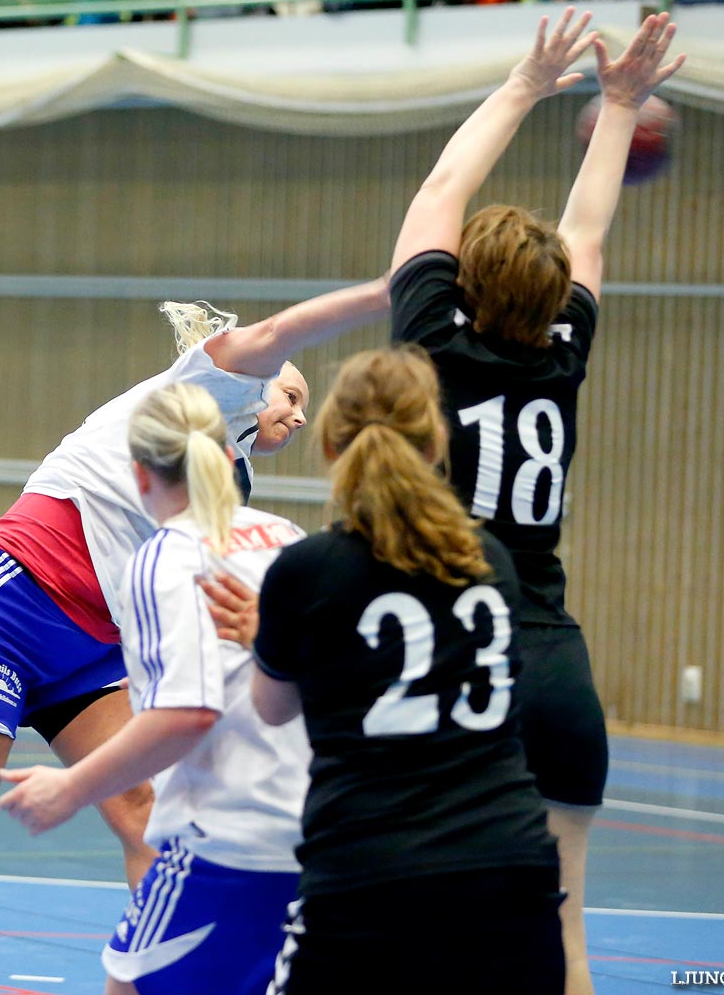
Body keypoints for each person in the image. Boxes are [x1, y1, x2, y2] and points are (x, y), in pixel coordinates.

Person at [0, 276, 389, 970]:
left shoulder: (222, 475)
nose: (298, 415)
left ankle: (158, 977)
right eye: (290, 395)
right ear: (253, 382)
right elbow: (275, 337)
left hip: (89, 649)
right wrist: (392, 291)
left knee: (145, 817)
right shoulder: (195, 392)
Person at [386, 8, 685, 994]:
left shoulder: (435, 337)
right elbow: (588, 227)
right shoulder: (563, 356)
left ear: (461, 282)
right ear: (554, 299)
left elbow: (441, 188)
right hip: (556, 669)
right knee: (563, 953)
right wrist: (619, 106)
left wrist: (524, 84)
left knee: (416, 928)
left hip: (454, 661)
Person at [251, 345, 565, 994]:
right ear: (434, 443)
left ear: (333, 446)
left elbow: (273, 707)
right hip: (509, 864)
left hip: (369, 871)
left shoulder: (307, 569)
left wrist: (265, 638)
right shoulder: (492, 560)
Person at [0, 381, 310, 995]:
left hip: (224, 841)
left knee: (127, 984)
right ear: (228, 460)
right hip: (314, 831)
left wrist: (69, 788)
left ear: (140, 477)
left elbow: (186, 714)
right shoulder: (287, 537)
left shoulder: (163, 559)